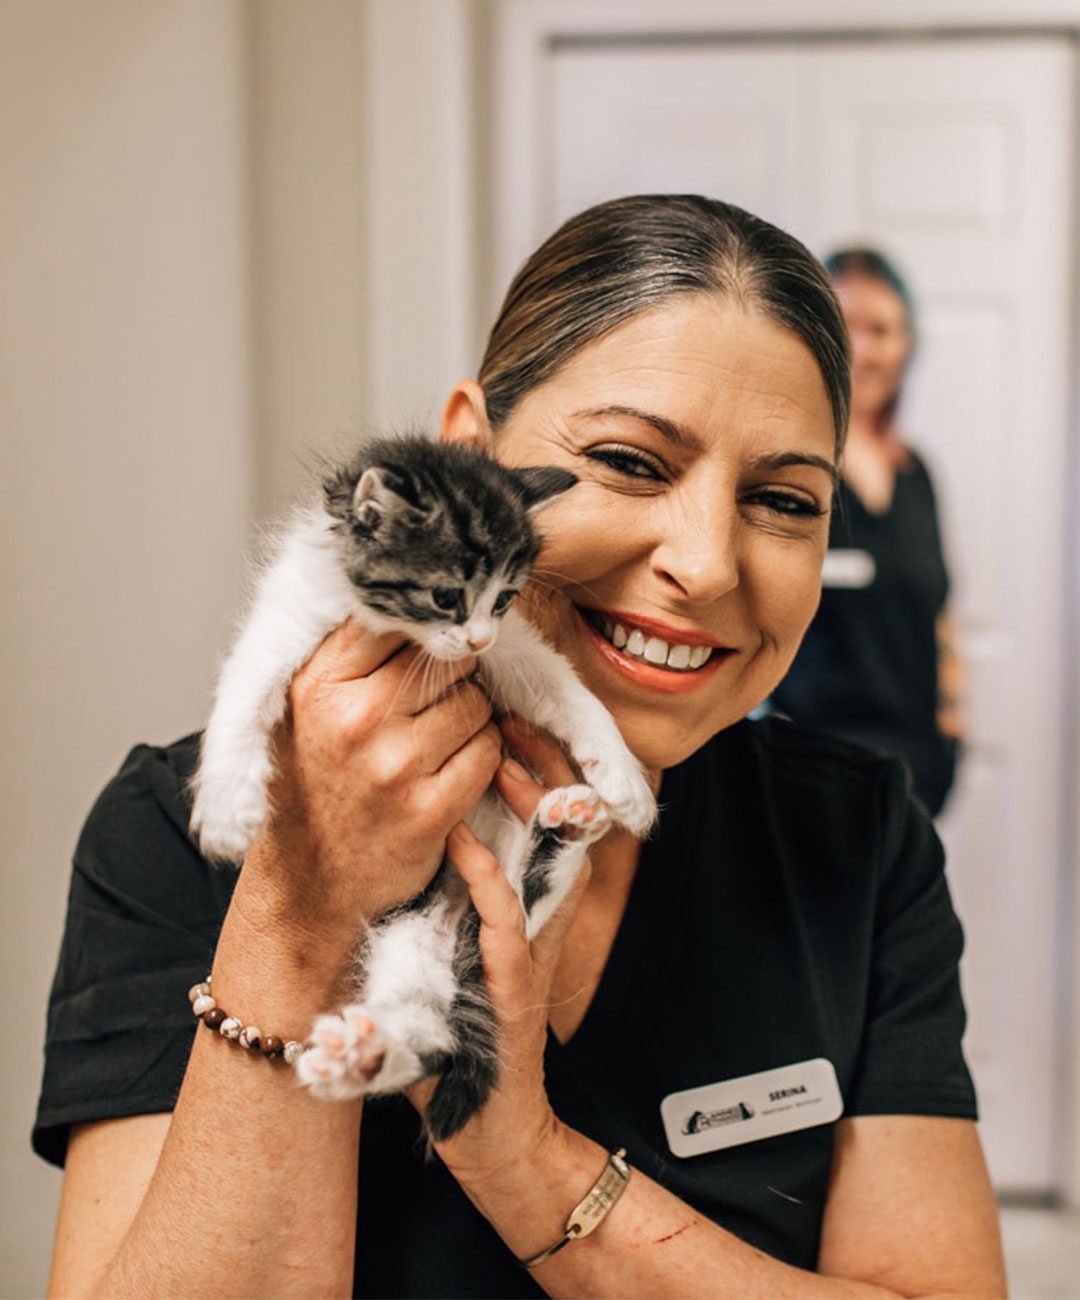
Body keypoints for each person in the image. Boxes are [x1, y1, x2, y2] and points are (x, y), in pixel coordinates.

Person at [36, 196, 1004, 1299]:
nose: (709, 565)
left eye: (782, 499)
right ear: (468, 450)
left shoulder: (858, 837)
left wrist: (526, 1159)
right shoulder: (178, 830)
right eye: (632, 463)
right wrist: (303, 910)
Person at [771, 248, 963, 817]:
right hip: (812, 768)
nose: (865, 348)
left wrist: (952, 716)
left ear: (907, 345)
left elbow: (941, 605)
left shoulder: (915, 473)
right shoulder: (788, 465)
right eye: (846, 326)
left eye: (882, 329)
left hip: (917, 770)